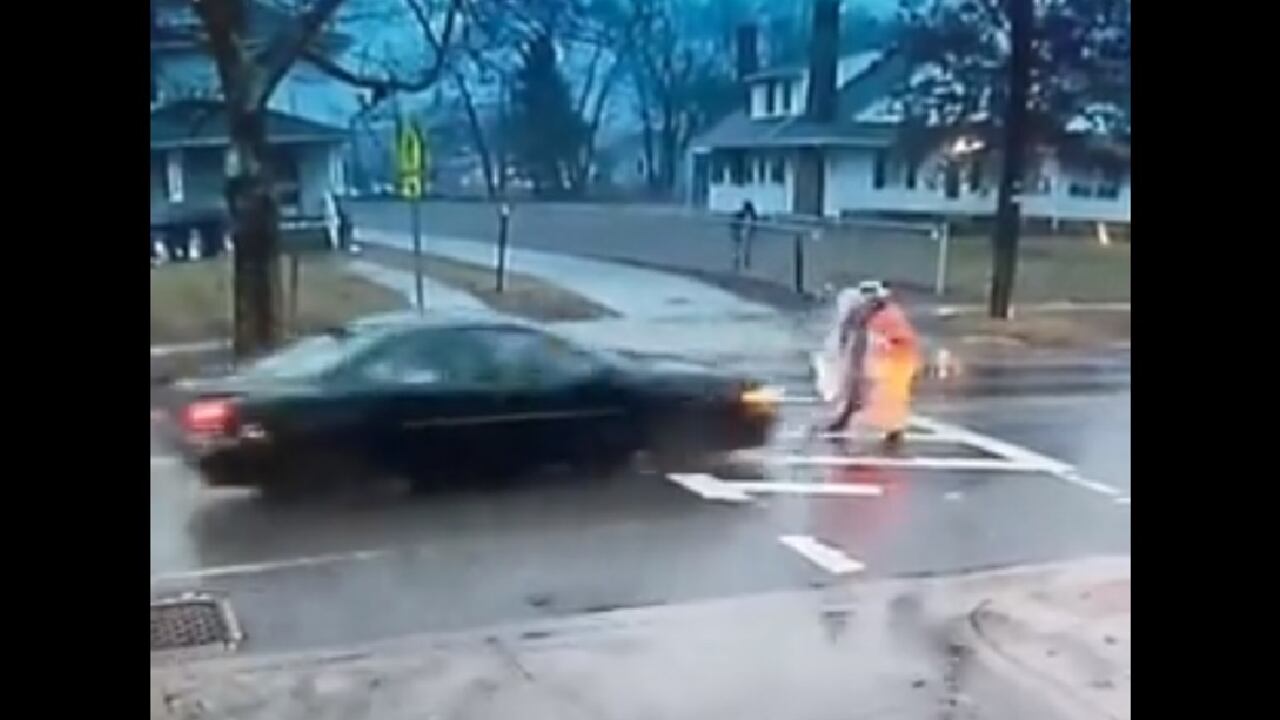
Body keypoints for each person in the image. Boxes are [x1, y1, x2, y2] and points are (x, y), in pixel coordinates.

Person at [824, 280, 921, 448]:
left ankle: (893, 428)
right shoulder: (861, 311)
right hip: (869, 357)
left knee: (887, 394)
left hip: (892, 360)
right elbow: (847, 331)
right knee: (856, 390)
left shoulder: (889, 314)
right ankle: (847, 420)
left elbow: (900, 338)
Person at [729, 200, 758, 272]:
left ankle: (745, 264)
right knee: (739, 250)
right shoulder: (742, 214)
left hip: (746, 233)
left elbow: (755, 225)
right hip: (741, 233)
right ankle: (738, 264)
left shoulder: (752, 215)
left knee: (745, 250)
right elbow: (733, 222)